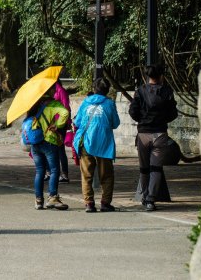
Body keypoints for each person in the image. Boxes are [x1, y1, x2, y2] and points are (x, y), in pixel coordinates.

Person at [128, 63, 179, 212]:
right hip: (160, 134)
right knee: (156, 168)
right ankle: (151, 200)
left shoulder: (140, 91)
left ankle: (144, 197)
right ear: (161, 76)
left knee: (144, 169)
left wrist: (142, 120)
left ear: (147, 76)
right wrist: (162, 120)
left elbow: (133, 111)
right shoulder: (167, 91)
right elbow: (173, 113)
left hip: (143, 134)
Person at [73, 78, 120, 213]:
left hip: (86, 142)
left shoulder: (85, 102)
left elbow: (77, 122)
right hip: (103, 143)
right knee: (106, 175)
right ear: (107, 90)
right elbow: (115, 123)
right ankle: (105, 203)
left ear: (94, 89)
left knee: (86, 174)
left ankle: (89, 203)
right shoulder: (109, 104)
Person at [28, 88, 70, 210]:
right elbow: (65, 113)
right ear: (50, 92)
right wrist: (58, 125)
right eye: (52, 90)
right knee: (55, 170)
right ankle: (52, 197)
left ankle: (38, 200)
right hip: (49, 141)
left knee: (40, 171)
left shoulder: (34, 104)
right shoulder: (53, 104)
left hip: (35, 142)